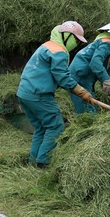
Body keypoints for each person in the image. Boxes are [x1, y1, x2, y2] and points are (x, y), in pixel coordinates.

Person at [16, 21, 93, 168]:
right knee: (55, 126)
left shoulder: (47, 45)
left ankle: (33, 162)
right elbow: (62, 76)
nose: (76, 44)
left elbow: (54, 75)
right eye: (75, 40)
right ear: (66, 36)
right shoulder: (59, 51)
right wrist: (81, 91)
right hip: (39, 95)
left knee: (41, 128)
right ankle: (44, 162)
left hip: (24, 93)